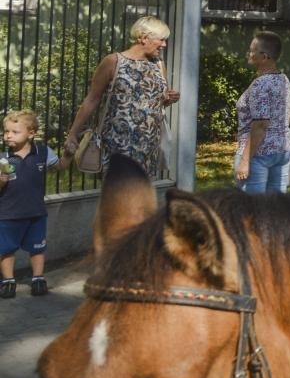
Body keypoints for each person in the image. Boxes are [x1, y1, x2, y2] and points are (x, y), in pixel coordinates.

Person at [64, 16, 179, 178]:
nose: (164, 45)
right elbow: (92, 99)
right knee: (117, 196)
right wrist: (73, 133)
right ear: (143, 38)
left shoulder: (159, 65)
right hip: (117, 145)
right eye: (161, 40)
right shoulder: (113, 62)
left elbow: (157, 103)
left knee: (140, 197)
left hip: (148, 146)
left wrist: (169, 99)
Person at [0, 111, 59, 298]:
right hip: (8, 214)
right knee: (6, 249)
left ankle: (38, 278)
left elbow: (59, 167)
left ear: (31, 133)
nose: (8, 135)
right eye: (6, 131)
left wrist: (71, 154)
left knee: (38, 247)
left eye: (14, 132)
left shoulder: (43, 152)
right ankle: (8, 280)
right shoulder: (3, 157)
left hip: (36, 212)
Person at [234, 31, 290, 192]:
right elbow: (288, 115)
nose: (249, 54)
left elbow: (260, 124)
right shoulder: (283, 79)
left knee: (251, 209)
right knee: (275, 209)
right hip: (281, 152)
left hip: (258, 154)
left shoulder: (260, 84)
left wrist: (245, 161)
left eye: (253, 50)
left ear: (265, 56)